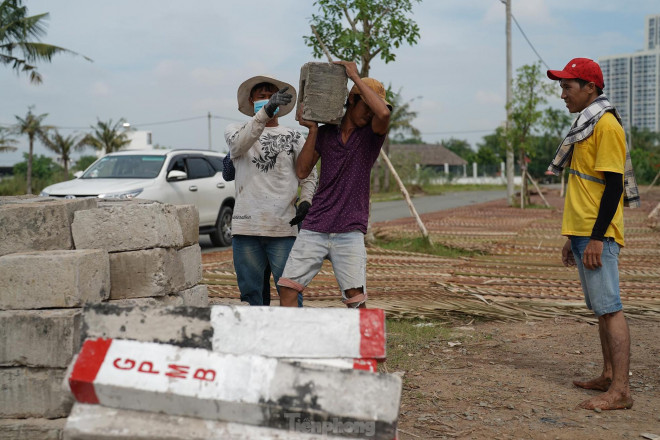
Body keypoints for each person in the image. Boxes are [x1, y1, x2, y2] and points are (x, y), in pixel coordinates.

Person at [546, 57, 640, 411]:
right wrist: (573, 237)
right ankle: (607, 376)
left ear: (590, 88)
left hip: (598, 234)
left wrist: (598, 237)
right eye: (561, 86)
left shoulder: (606, 126)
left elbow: (613, 187)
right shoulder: (587, 125)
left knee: (611, 309)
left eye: (568, 86)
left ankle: (621, 391)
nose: (562, 94)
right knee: (602, 309)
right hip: (584, 231)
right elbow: (589, 187)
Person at [277, 61, 391, 308]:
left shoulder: (372, 136)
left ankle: (361, 347)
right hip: (316, 224)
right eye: (366, 106)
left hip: (349, 230)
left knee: (355, 298)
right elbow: (302, 171)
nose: (371, 113)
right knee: (287, 288)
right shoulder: (327, 133)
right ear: (352, 101)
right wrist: (313, 130)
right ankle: (290, 343)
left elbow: (383, 113)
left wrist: (355, 77)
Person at [224, 75, 316, 307]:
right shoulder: (235, 130)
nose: (267, 100)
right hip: (246, 228)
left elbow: (308, 174)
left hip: (283, 228)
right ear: (251, 100)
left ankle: (292, 340)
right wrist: (266, 111)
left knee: (291, 292)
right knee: (251, 296)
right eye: (262, 96)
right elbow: (238, 147)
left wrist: (306, 201)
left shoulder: (295, 136)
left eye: (272, 97)